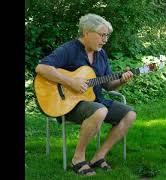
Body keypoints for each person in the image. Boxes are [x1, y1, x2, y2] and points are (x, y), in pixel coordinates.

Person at [35, 13, 136, 176]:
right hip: (68, 105)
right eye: (102, 35)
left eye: (107, 36)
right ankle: (78, 158)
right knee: (100, 110)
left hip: (96, 101)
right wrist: (70, 81)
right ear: (87, 32)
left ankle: (99, 156)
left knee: (129, 114)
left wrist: (123, 80)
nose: (105, 40)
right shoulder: (68, 49)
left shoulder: (101, 54)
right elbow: (42, 68)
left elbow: (108, 85)